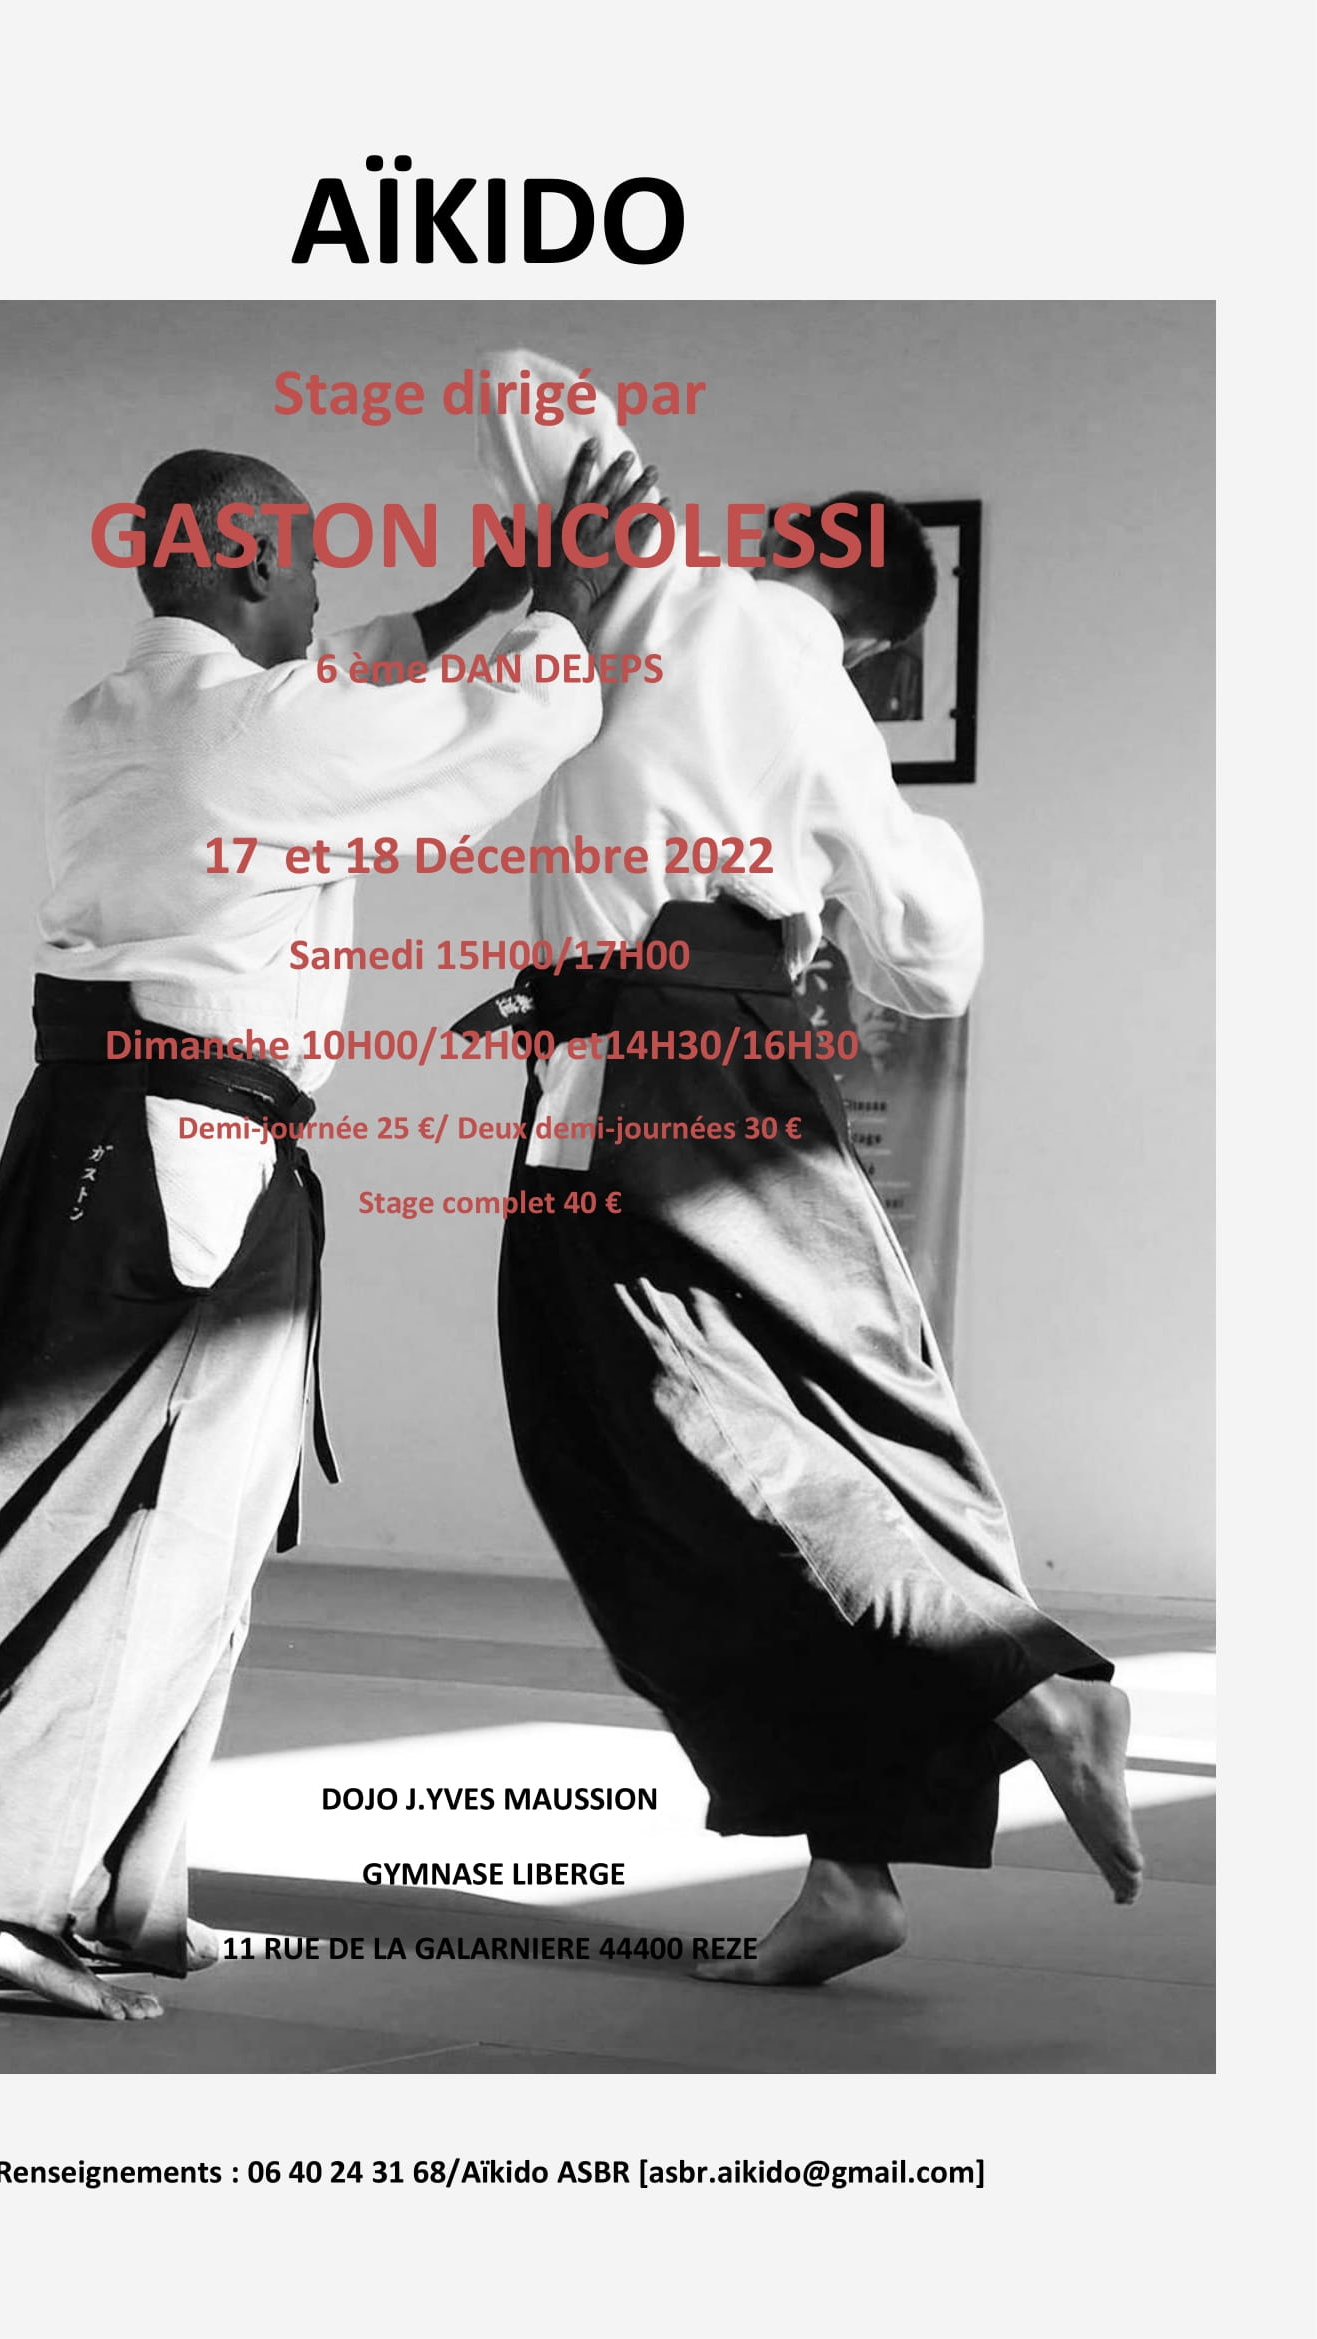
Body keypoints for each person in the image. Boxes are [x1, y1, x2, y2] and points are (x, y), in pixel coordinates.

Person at [0, 436, 655, 2020]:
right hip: (179, 1164)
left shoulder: (126, 710)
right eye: (312, 566)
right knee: (145, 1522)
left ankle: (103, 1885)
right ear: (251, 561)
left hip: (116, 1142)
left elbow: (336, 691)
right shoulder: (243, 730)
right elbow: (490, 731)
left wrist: (473, 598)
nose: (328, 596)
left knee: (109, 1509)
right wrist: (554, 599)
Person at [472, 350, 1143, 1986]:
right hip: (744, 1054)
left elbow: (519, 378)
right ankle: (853, 1868)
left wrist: (588, 519)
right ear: (887, 642)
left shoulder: (659, 590)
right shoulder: (822, 698)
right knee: (840, 1412)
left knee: (661, 1446)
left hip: (635, 1074)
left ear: (791, 554)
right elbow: (930, 960)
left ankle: (1025, 1677)